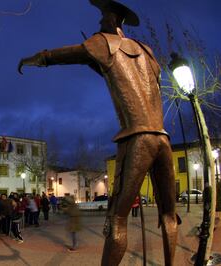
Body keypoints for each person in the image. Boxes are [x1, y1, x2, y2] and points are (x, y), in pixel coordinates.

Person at [18, 1, 178, 264]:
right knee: (169, 215)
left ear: (112, 21)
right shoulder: (147, 52)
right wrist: (102, 67)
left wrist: (38, 58)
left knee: (117, 219)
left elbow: (69, 54)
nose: (98, 24)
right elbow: (135, 80)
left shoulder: (103, 42)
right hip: (163, 138)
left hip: (137, 137)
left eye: (102, 18)